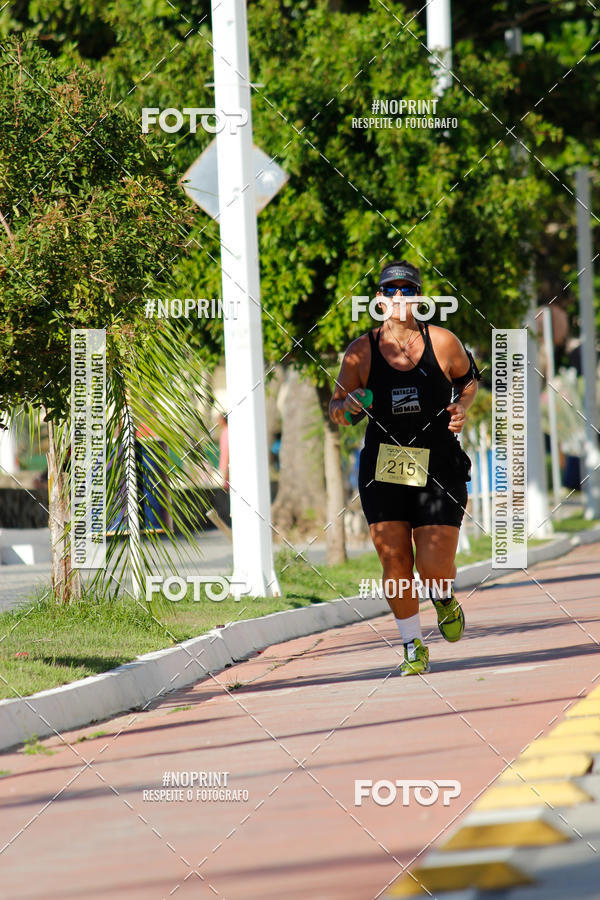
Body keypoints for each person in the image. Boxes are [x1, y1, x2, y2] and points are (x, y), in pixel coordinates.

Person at [329, 260, 480, 675]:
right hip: (386, 465)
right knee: (394, 560)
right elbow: (336, 409)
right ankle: (412, 645)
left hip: (439, 465)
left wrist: (461, 407)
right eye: (391, 290)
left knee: (433, 569)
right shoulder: (360, 352)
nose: (399, 297)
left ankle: (443, 597)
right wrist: (349, 406)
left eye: (408, 290)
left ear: (419, 297)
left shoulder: (443, 342)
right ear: (379, 299)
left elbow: (468, 380)